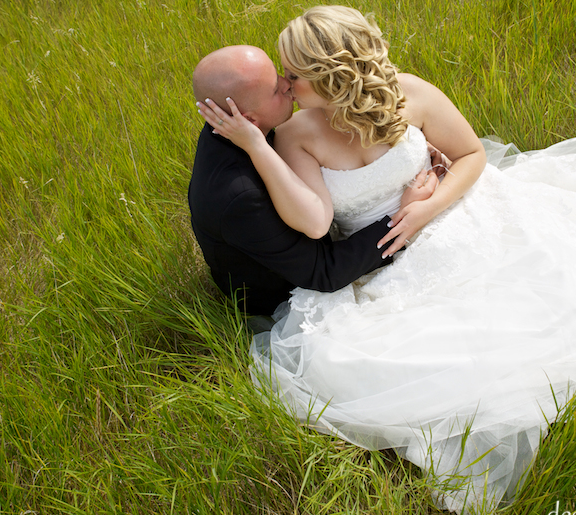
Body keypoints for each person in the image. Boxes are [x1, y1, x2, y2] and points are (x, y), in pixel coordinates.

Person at [200, 7, 576, 515]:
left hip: (459, 214)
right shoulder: (295, 136)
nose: (286, 87)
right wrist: (257, 145)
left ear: (329, 74)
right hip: (388, 257)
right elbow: (317, 224)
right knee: (432, 352)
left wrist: (427, 208)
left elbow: (470, 156)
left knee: (554, 276)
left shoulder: (409, 95)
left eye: (291, 76)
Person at [188, 45, 438, 320]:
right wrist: (400, 216)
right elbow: (324, 272)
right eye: (275, 90)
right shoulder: (240, 196)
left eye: (277, 74)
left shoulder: (236, 120)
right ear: (247, 120)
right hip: (286, 290)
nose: (287, 85)